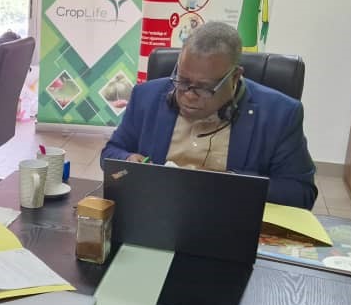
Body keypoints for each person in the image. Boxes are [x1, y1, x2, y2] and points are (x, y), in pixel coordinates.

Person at [101, 22, 316, 209]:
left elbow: (301, 193)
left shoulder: (281, 114)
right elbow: (110, 153)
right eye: (182, 82)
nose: (188, 95)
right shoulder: (146, 96)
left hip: (231, 222)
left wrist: (232, 184)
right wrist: (129, 160)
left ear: (234, 78)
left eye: (203, 88)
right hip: (156, 213)